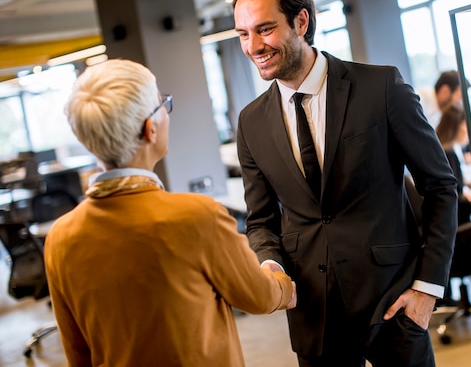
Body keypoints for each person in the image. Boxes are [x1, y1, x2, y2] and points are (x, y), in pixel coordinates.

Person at [226, 0, 458, 367]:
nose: (253, 46)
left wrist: (427, 288)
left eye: (264, 29)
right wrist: (270, 266)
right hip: (314, 315)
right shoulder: (250, 122)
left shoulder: (381, 88)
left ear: (301, 21)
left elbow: (440, 186)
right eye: (243, 34)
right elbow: (261, 220)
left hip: (394, 306)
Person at [43, 59, 296, 367]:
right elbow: (258, 297)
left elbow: (77, 350)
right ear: (151, 129)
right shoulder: (196, 216)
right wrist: (283, 284)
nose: (166, 112)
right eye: (163, 104)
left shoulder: (60, 237)